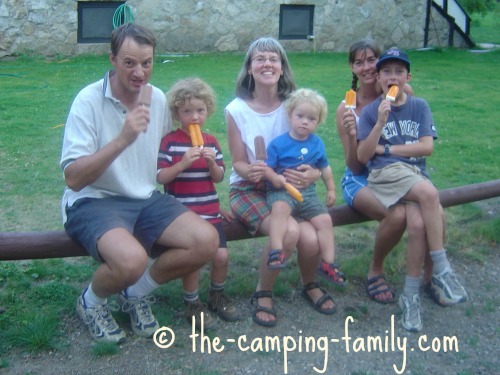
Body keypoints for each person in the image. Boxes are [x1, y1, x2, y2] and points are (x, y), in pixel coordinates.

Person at [60, 24, 218, 343]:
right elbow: (74, 178)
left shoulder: (157, 99)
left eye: (147, 63)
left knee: (206, 240)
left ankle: (134, 295)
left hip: (144, 197)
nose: (139, 72)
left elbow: (161, 159)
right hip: (94, 199)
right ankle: (91, 303)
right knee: (131, 261)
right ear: (112, 59)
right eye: (129, 62)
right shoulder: (88, 101)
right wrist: (123, 138)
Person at [226, 37, 336, 328]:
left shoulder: (295, 106)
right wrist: (250, 171)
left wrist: (313, 174)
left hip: (291, 187)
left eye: (274, 59)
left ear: (282, 67)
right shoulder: (236, 110)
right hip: (249, 187)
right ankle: (263, 292)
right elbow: (237, 161)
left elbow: (311, 151)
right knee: (288, 233)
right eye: (260, 58)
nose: (267, 64)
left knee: (311, 237)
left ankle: (309, 283)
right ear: (249, 68)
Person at [356, 47, 468, 331]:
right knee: (430, 195)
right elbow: (364, 156)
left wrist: (390, 147)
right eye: (387, 72)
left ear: (408, 76)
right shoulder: (371, 112)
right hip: (386, 173)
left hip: (415, 173)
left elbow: (426, 147)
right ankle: (442, 269)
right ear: (379, 77)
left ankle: (410, 296)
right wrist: (380, 123)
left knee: (418, 224)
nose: (393, 77)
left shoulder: (419, 106)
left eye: (399, 72)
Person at [157, 77, 240, 330]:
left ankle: (217, 294)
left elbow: (219, 178)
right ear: (176, 113)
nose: (194, 117)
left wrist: (212, 162)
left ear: (208, 110)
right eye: (187, 111)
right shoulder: (169, 142)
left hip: (209, 211)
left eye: (200, 111)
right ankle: (192, 302)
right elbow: (160, 177)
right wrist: (182, 163)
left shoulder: (212, 142)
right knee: (194, 260)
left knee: (222, 256)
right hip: (183, 215)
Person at [262, 88, 346, 287]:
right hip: (282, 191)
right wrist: (275, 178)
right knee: (280, 209)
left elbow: (324, 168)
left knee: (325, 220)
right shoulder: (278, 144)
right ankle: (276, 251)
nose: (305, 122)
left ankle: (328, 263)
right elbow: (267, 168)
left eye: (312, 118)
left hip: (307, 193)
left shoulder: (317, 144)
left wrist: (331, 189)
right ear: (290, 116)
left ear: (318, 122)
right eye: (300, 116)